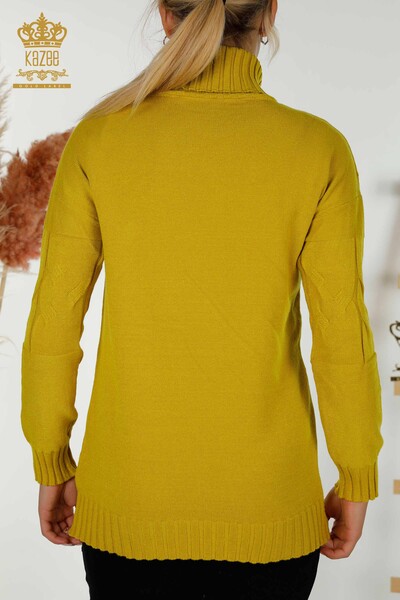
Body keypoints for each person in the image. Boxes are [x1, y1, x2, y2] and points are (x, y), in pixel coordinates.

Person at [20, 0, 384, 598]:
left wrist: (51, 458)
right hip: (270, 514)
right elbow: (342, 335)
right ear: (268, 14)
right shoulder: (319, 149)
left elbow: (54, 322)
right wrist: (356, 473)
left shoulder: (99, 139)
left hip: (128, 508)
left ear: (166, 15)